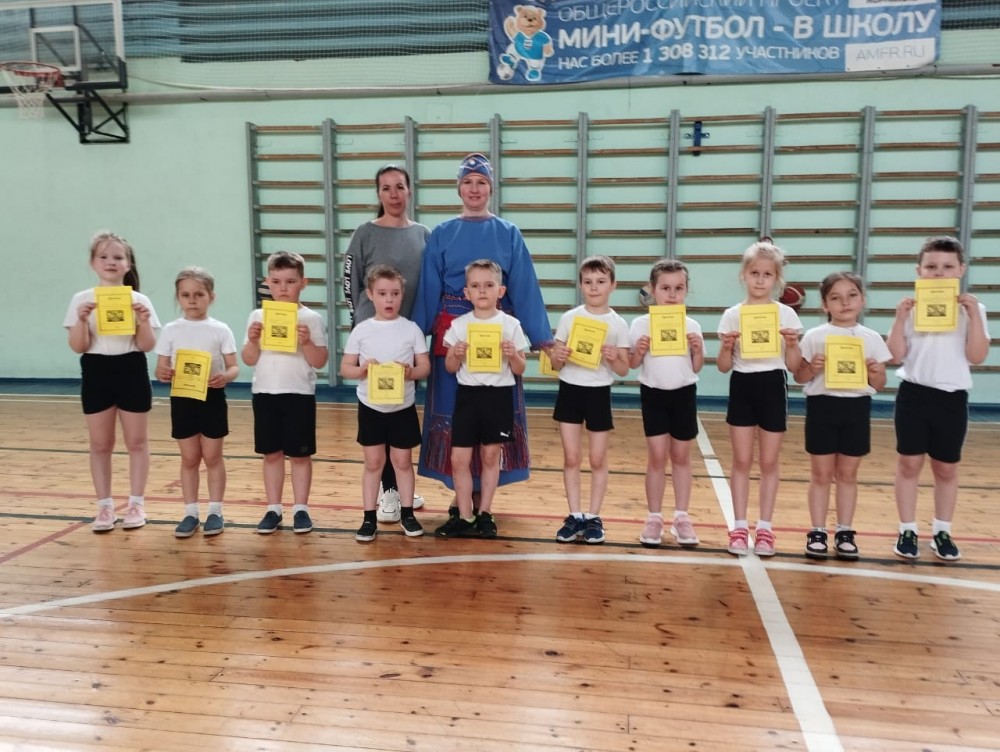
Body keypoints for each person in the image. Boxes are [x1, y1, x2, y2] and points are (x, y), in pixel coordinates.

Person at [411, 153, 553, 511]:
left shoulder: (509, 233)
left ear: (491, 188)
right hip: (454, 337)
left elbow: (524, 286)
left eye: (481, 183)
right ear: (459, 188)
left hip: (497, 334)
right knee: (455, 415)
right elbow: (428, 289)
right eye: (468, 182)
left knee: (491, 414)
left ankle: (482, 497)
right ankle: (461, 493)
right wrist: (411, 339)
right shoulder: (442, 234)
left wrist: (543, 338)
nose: (474, 189)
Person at [886, 236, 989, 561]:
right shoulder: (910, 309)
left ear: (961, 269)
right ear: (919, 270)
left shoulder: (974, 310)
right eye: (931, 266)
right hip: (914, 395)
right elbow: (895, 355)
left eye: (947, 266)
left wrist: (973, 315)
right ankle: (907, 529)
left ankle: (942, 531)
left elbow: (977, 356)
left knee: (946, 468)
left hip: (952, 398)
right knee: (909, 464)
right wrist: (899, 319)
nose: (939, 272)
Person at [344, 164, 431, 525]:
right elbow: (350, 282)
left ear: (409, 190)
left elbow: (430, 284)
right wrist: (361, 326)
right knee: (378, 413)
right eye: (386, 188)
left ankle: (400, 486)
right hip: (374, 340)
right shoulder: (365, 233)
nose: (393, 194)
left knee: (400, 415)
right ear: (378, 194)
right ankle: (389, 491)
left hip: (407, 339)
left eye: (399, 187)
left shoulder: (423, 235)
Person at [64, 231, 160, 533]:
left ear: (128, 264)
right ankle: (104, 507)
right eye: (103, 256)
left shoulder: (139, 300)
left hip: (131, 368)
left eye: (118, 257)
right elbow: (78, 346)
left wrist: (143, 321)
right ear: (93, 263)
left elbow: (146, 345)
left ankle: (136, 504)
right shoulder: (81, 300)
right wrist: (81, 320)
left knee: (137, 442)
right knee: (100, 444)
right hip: (96, 371)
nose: (111, 262)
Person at [793, 272, 891, 560]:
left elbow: (879, 384)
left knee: (848, 475)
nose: (844, 302)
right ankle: (818, 531)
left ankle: (845, 531)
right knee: (821, 474)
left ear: (862, 300)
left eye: (851, 295)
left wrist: (875, 372)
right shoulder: (815, 336)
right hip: (822, 407)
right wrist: (812, 368)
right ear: (825, 305)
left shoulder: (872, 339)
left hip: (856, 409)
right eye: (836, 298)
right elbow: (799, 376)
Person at [717, 240, 803, 556]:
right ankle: (739, 527)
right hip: (742, 385)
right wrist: (726, 347)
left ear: (777, 279)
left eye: (767, 274)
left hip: (773, 386)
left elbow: (794, 367)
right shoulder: (732, 315)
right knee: (741, 460)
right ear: (744, 274)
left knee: (769, 462)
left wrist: (792, 345)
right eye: (755, 273)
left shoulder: (786, 315)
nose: (760, 279)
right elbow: (723, 367)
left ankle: (765, 528)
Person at [433, 259, 529, 538]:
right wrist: (455, 354)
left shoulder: (511, 325)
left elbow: (520, 368)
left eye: (488, 285)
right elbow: (450, 368)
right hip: (468, 396)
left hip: (498, 397)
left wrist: (513, 355)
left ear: (501, 290)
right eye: (475, 286)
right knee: (458, 459)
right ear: (466, 293)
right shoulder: (459, 325)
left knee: (490, 456)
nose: (482, 290)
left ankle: (485, 512)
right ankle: (465, 515)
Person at [340, 265, 431, 542]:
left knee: (402, 462)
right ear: (370, 294)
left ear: (402, 294)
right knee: (373, 463)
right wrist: (362, 370)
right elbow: (346, 368)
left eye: (394, 293)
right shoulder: (361, 330)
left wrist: (410, 372)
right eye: (382, 293)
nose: (389, 299)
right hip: (371, 407)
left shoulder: (411, 330)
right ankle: (369, 518)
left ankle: (408, 514)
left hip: (402, 408)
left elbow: (425, 367)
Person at [242, 251, 329, 535]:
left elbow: (320, 361)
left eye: (290, 281)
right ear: (268, 282)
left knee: (300, 456)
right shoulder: (257, 316)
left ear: (303, 282)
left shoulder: (311, 318)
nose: (283, 288)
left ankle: (301, 508)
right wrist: (253, 340)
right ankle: (273, 508)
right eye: (277, 281)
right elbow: (249, 359)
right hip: (265, 393)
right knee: (271, 454)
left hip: (299, 394)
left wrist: (307, 343)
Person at [549, 256, 630, 545]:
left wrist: (613, 357)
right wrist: (558, 356)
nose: (594, 287)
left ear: (613, 285)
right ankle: (574, 515)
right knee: (571, 457)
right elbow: (555, 363)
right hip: (570, 390)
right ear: (581, 285)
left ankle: (594, 517)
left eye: (600, 281)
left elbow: (624, 369)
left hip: (599, 393)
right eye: (588, 282)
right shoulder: (569, 318)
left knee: (597, 458)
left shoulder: (618, 323)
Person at [154, 267, 240, 538]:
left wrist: (225, 377)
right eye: (186, 295)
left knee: (212, 457)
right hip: (183, 398)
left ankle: (215, 511)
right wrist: (164, 373)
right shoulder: (170, 330)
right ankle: (190, 513)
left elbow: (234, 366)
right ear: (178, 297)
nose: (192, 300)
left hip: (212, 397)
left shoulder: (220, 329)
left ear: (211, 296)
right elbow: (160, 368)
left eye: (199, 294)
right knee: (189, 458)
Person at [628, 259, 705, 548]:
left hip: (684, 393)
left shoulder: (692, 325)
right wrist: (639, 350)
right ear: (652, 289)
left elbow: (696, 367)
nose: (672, 294)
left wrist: (698, 350)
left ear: (686, 290)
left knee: (681, 456)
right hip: (653, 394)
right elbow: (632, 363)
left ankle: (682, 516)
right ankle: (654, 517)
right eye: (665, 288)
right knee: (657, 457)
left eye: (678, 288)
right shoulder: (640, 324)